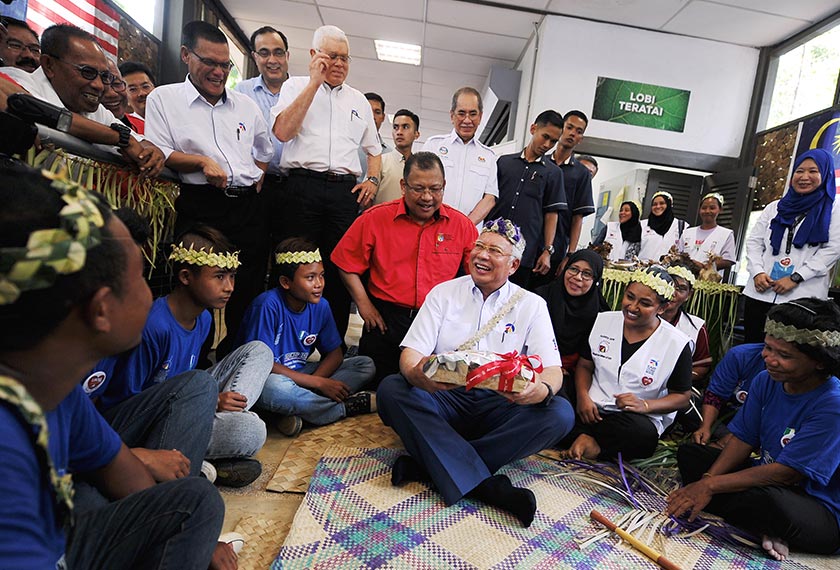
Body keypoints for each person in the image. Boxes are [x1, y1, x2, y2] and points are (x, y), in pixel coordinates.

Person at [0, 163, 225, 569]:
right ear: (101, 309)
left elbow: (116, 467)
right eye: (142, 276)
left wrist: (179, 528)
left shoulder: (56, 389)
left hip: (64, 531)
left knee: (195, 501)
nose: (151, 293)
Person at [377, 218, 575, 527]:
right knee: (392, 388)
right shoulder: (444, 293)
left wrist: (542, 390)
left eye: (494, 250)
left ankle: (428, 465)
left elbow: (553, 371)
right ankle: (490, 487)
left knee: (560, 412)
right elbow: (410, 355)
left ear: (513, 265)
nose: (481, 255)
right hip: (445, 399)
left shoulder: (531, 304)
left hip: (501, 404)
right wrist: (418, 374)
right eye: (479, 247)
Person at [96, 226, 273, 488]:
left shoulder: (203, 318)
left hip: (189, 402)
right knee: (250, 430)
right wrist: (209, 401)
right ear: (186, 276)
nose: (229, 287)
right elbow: (131, 404)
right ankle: (190, 464)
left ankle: (199, 457)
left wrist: (208, 403)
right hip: (150, 424)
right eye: (220, 277)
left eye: (232, 276)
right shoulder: (154, 327)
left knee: (260, 351)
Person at [668, 298, 840, 561]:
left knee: (768, 502)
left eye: (784, 355)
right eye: (768, 347)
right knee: (692, 456)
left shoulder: (833, 403)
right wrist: (707, 481)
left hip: (817, 506)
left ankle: (766, 523)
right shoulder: (766, 380)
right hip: (769, 482)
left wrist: (713, 486)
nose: (769, 359)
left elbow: (787, 475)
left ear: (819, 362)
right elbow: (743, 440)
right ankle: (763, 526)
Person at [145, 20, 274, 358]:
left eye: (225, 64)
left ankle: (235, 363)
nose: (219, 72)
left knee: (245, 289)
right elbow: (158, 151)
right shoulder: (164, 99)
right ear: (187, 55)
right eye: (210, 62)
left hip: (247, 208)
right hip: (201, 205)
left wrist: (255, 175)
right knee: (197, 291)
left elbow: (265, 151)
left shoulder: (246, 106)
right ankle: (191, 364)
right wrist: (200, 162)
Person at [271, 24, 381, 345]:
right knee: (294, 265)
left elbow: (374, 152)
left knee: (339, 268)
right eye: (332, 56)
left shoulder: (358, 100)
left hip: (342, 194)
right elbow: (282, 132)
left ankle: (331, 346)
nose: (339, 64)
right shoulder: (294, 87)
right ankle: (287, 340)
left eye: (345, 58)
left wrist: (371, 179)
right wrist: (314, 84)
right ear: (313, 55)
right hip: (300, 189)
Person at [332, 151, 477, 381]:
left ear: (444, 186)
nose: (427, 197)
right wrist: (364, 305)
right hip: (385, 322)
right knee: (376, 384)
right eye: (418, 189)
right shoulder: (375, 218)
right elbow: (344, 262)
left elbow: (476, 280)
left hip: (436, 325)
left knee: (428, 390)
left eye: (435, 189)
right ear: (403, 185)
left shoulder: (461, 226)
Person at [236, 237, 376, 437]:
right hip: (268, 378)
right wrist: (319, 384)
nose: (319, 284)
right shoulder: (267, 306)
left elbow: (335, 354)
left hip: (301, 376)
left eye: (321, 276)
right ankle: (342, 409)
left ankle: (295, 411)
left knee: (364, 365)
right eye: (310, 278)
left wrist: (314, 382)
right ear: (286, 282)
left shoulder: (321, 305)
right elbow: (263, 365)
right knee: (276, 389)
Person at [561, 266, 693, 460]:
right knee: (558, 396)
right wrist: (582, 396)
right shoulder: (602, 321)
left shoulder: (676, 343)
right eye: (630, 297)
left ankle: (591, 443)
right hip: (591, 407)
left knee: (641, 435)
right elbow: (585, 365)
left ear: (662, 308)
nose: (632, 307)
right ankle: (590, 440)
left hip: (631, 418)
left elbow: (681, 396)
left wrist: (645, 405)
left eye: (645, 303)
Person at [2, 24, 164, 177]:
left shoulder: (94, 108)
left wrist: (151, 151)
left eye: (104, 76)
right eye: (87, 72)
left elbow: (139, 141)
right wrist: (121, 139)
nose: (99, 85)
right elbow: (46, 115)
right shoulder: (18, 80)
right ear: (49, 65)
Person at [742, 149, 840, 344]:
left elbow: (832, 249)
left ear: (826, 173)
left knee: (790, 357)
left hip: (802, 298)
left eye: (813, 171)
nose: (804, 177)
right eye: (799, 171)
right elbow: (754, 242)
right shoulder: (776, 207)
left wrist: (796, 277)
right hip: (761, 292)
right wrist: (757, 272)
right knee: (752, 349)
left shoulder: (835, 209)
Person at [488, 109, 567, 289]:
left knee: (512, 305)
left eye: (553, 141)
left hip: (523, 253)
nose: (547, 144)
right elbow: (489, 200)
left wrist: (547, 250)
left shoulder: (553, 173)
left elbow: (551, 214)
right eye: (544, 136)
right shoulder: (503, 163)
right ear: (533, 129)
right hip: (492, 245)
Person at [235, 25, 290, 256]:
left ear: (287, 56)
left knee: (287, 255)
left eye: (278, 52)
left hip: (292, 187)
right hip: (254, 186)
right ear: (254, 57)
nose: (272, 59)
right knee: (250, 253)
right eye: (264, 53)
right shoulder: (241, 92)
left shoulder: (303, 92)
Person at [537, 249, 609, 405]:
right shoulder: (541, 298)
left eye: (587, 274)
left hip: (579, 375)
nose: (577, 277)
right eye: (574, 269)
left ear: (596, 280)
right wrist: (552, 366)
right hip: (537, 366)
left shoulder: (601, 314)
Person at [422, 86, 498, 225]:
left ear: (480, 116)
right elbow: (421, 187)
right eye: (461, 113)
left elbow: (490, 198)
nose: (467, 120)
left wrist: (464, 226)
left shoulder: (489, 156)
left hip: (469, 232)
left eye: (473, 114)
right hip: (433, 226)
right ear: (452, 115)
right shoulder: (433, 145)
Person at [543, 110, 596, 280]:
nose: (573, 133)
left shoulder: (581, 174)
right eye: (569, 127)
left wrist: (569, 255)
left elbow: (577, 217)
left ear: (581, 138)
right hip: (527, 240)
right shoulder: (541, 162)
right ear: (561, 129)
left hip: (557, 249)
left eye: (579, 131)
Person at [692, 342, 765, 447]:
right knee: (688, 401)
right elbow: (715, 395)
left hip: (753, 432)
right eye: (767, 347)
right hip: (724, 418)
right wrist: (705, 427)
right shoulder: (740, 355)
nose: (766, 355)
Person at [664, 264, 712, 383]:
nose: (673, 293)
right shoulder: (644, 317)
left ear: (689, 295)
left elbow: (702, 365)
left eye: (681, 289)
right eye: (670, 286)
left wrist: (678, 380)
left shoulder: (696, 326)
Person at [681, 192, 736, 274]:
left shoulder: (726, 234)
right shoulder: (687, 232)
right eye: (704, 208)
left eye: (712, 208)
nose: (707, 211)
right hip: (684, 279)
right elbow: (678, 254)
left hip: (707, 282)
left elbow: (728, 260)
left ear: (720, 210)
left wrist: (706, 266)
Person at [375, 108, 420, 205]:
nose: (399, 132)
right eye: (395, 127)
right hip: (382, 218)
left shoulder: (419, 168)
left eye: (405, 127)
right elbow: (366, 200)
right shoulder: (380, 161)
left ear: (416, 134)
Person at [639, 190, 687, 262]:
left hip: (667, 271)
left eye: (662, 203)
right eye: (654, 204)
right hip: (641, 270)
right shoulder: (642, 225)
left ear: (669, 204)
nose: (658, 206)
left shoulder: (681, 226)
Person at [119, 61, 156, 133]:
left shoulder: (173, 119)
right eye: (133, 89)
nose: (142, 93)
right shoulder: (125, 127)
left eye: (145, 87)